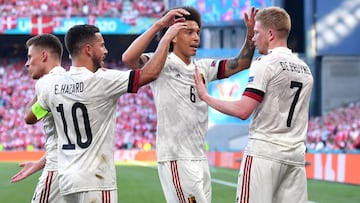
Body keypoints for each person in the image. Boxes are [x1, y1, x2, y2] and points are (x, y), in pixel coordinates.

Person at [33, 23, 185, 203]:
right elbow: (149, 74)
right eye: (102, 45)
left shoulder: (52, 85)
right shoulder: (103, 80)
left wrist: (39, 96)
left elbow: (33, 114)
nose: (105, 51)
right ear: (88, 49)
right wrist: (166, 37)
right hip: (95, 181)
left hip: (66, 181)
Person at [122, 6, 257, 203]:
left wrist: (250, 37)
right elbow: (128, 58)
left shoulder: (203, 67)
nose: (196, 38)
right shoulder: (160, 64)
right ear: (174, 36)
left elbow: (241, 64)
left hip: (199, 157)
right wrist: (160, 26)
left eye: (198, 32)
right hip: (177, 157)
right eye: (189, 32)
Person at [194, 7, 314, 203]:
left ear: (271, 34)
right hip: (295, 156)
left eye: (256, 33)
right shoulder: (305, 69)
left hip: (264, 153)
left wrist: (206, 96)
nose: (253, 38)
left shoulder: (265, 63)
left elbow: (243, 110)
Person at [11, 34, 66, 203]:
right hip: (78, 170)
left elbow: (29, 118)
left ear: (43, 56)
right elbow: (63, 140)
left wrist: (39, 91)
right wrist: (38, 163)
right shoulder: (71, 80)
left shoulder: (46, 83)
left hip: (56, 170)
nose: (27, 63)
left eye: (29, 57)